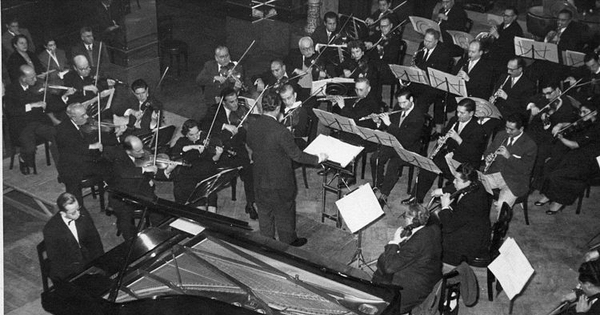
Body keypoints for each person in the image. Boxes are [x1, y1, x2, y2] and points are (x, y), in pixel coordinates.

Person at [246, 92, 327, 247]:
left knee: (265, 213)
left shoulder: (253, 125)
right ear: (278, 108)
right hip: (280, 183)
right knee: (284, 213)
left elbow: (250, 143)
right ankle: (288, 242)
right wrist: (318, 158)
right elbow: (297, 155)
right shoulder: (281, 131)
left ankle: (267, 243)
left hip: (259, 178)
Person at [406, 98, 486, 204]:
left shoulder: (478, 129)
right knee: (428, 167)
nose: (458, 115)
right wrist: (442, 140)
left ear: (471, 113)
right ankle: (416, 197)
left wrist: (458, 139)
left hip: (464, 164)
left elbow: (473, 153)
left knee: (453, 182)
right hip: (450, 157)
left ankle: (446, 199)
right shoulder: (454, 120)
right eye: (457, 111)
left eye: (462, 113)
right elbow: (445, 135)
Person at [371, 204, 442, 314]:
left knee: (381, 274)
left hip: (413, 290)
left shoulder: (416, 243)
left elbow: (389, 267)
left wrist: (394, 242)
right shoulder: (434, 229)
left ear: (411, 220)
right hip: (429, 278)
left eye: (405, 217)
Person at [200, 87, 258, 220]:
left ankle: (250, 203)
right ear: (223, 102)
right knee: (210, 169)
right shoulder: (214, 110)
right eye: (231, 102)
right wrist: (224, 126)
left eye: (236, 100)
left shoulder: (240, 111)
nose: (235, 104)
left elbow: (245, 135)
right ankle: (208, 202)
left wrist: (245, 129)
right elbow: (204, 125)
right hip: (222, 150)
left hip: (237, 148)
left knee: (249, 170)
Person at [104, 135, 175, 240]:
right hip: (122, 192)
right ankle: (133, 244)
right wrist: (144, 169)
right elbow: (123, 172)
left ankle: (160, 236)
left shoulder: (142, 153)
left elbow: (154, 171)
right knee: (125, 223)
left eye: (142, 148)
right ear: (128, 151)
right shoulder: (116, 156)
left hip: (142, 188)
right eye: (138, 150)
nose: (142, 152)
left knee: (158, 209)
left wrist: (167, 171)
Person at [536, 102, 600, 214]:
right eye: (581, 112)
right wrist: (560, 125)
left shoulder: (596, 128)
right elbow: (573, 124)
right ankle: (548, 195)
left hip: (590, 160)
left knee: (560, 174)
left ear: (595, 112)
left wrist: (560, 137)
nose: (581, 114)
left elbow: (574, 144)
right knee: (550, 164)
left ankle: (559, 201)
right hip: (578, 154)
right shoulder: (587, 121)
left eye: (585, 112)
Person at [55, 103, 121, 207]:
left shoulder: (85, 123)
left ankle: (114, 201)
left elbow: (101, 137)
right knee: (73, 183)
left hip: (88, 159)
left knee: (113, 166)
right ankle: (77, 209)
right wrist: (90, 146)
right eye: (82, 116)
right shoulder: (62, 130)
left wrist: (116, 134)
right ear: (73, 117)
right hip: (72, 163)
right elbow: (72, 147)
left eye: (86, 113)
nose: (87, 117)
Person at [430, 163, 492, 267]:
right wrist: (441, 191)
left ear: (468, 182)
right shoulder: (476, 185)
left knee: (433, 241)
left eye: (457, 180)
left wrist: (445, 207)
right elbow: (456, 187)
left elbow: (449, 227)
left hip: (470, 241)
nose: (454, 182)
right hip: (472, 227)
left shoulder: (470, 202)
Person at [370, 89, 425, 206]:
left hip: (408, 147)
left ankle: (384, 195)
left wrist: (389, 124)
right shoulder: (398, 107)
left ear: (411, 99)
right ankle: (379, 184)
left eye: (404, 103)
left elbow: (407, 139)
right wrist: (379, 122)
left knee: (393, 164)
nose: (401, 106)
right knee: (375, 158)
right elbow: (391, 126)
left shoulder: (418, 116)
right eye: (399, 103)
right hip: (394, 142)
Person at [4, 65, 59, 174]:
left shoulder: (37, 85)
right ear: (23, 79)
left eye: (35, 76)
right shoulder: (11, 90)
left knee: (57, 136)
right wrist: (31, 105)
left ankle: (62, 167)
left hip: (38, 122)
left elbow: (50, 104)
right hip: (22, 125)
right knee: (29, 148)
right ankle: (23, 159)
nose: (35, 79)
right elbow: (11, 111)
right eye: (32, 78)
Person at [482, 114, 537, 219]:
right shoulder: (500, 135)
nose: (507, 132)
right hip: (496, 173)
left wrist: (509, 157)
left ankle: (498, 231)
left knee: (503, 206)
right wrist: (487, 157)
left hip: (515, 180)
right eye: (506, 128)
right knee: (474, 186)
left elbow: (526, 169)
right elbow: (489, 150)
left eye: (511, 129)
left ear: (521, 129)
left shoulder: (530, 145)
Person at [526, 80, 578, 190]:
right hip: (537, 130)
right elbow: (531, 100)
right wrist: (533, 106)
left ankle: (533, 180)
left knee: (540, 152)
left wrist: (560, 124)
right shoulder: (543, 97)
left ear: (558, 90)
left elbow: (571, 122)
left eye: (549, 93)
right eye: (545, 93)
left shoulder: (566, 103)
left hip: (551, 136)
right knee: (523, 143)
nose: (547, 96)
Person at [43, 192, 104, 281]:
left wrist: (100, 262)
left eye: (78, 208)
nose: (78, 214)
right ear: (63, 213)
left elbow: (95, 240)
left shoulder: (83, 213)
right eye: (73, 212)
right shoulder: (51, 229)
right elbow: (55, 258)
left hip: (86, 256)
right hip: (68, 265)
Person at [170, 119, 222, 212]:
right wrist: (192, 147)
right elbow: (175, 153)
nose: (196, 136)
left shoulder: (204, 140)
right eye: (191, 135)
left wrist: (218, 154)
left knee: (212, 202)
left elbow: (213, 160)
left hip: (204, 175)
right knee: (200, 208)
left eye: (197, 133)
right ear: (186, 134)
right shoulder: (182, 142)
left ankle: (212, 223)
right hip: (189, 177)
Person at [410, 28, 452, 134]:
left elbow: (440, 73)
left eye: (429, 41)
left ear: (436, 41)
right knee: (404, 93)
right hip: (421, 81)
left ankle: (418, 128)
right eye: (425, 40)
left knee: (421, 103)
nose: (425, 43)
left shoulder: (444, 52)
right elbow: (418, 62)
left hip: (434, 85)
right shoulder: (422, 46)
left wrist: (421, 71)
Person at [490, 56, 535, 120]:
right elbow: (496, 93)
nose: (508, 72)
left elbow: (522, 107)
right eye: (508, 68)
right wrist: (493, 98)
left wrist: (506, 97)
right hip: (498, 113)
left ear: (520, 69)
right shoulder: (503, 77)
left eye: (511, 70)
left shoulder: (528, 85)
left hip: (513, 117)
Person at [365, 17, 402, 84]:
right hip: (375, 65)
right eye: (381, 26)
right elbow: (366, 41)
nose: (383, 29)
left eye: (386, 26)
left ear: (391, 25)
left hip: (387, 69)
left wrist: (379, 49)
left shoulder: (395, 39)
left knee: (371, 72)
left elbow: (391, 58)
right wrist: (367, 44)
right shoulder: (377, 34)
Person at [488, 7, 523, 76]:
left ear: (514, 17)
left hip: (505, 59)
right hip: (496, 54)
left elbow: (509, 47)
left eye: (508, 16)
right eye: (504, 15)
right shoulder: (503, 24)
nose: (504, 18)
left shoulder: (516, 30)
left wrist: (497, 36)